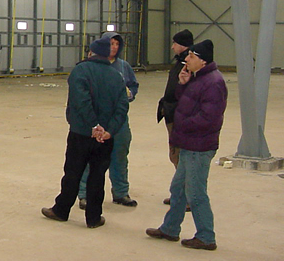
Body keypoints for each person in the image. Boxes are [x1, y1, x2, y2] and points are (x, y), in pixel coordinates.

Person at [146, 39, 227, 251]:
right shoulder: (198, 78)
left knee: (196, 192)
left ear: (202, 61)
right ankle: (170, 228)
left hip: (198, 147)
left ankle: (206, 236)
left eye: (191, 56)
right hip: (189, 144)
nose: (186, 59)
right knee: (178, 189)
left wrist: (183, 126)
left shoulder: (213, 82)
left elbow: (209, 118)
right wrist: (183, 84)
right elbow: (187, 103)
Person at [41, 35, 129, 229]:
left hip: (81, 133)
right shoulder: (117, 76)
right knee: (97, 176)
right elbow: (122, 107)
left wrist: (93, 125)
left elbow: (81, 102)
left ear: (91, 52)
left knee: (73, 172)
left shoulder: (80, 71)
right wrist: (108, 130)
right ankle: (94, 218)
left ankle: (61, 210)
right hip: (105, 137)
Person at [78, 31, 139, 208]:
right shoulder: (91, 67)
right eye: (111, 43)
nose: (114, 47)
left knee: (120, 155)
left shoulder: (123, 66)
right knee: (91, 157)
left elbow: (133, 85)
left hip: (119, 120)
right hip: (97, 119)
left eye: (117, 44)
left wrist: (130, 93)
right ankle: (84, 194)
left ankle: (120, 192)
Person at [157, 29, 194, 205]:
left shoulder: (188, 65)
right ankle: (180, 194)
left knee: (180, 157)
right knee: (175, 156)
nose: (172, 47)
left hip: (179, 117)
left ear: (183, 45)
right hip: (172, 114)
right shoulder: (180, 62)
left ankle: (186, 197)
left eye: (175, 43)